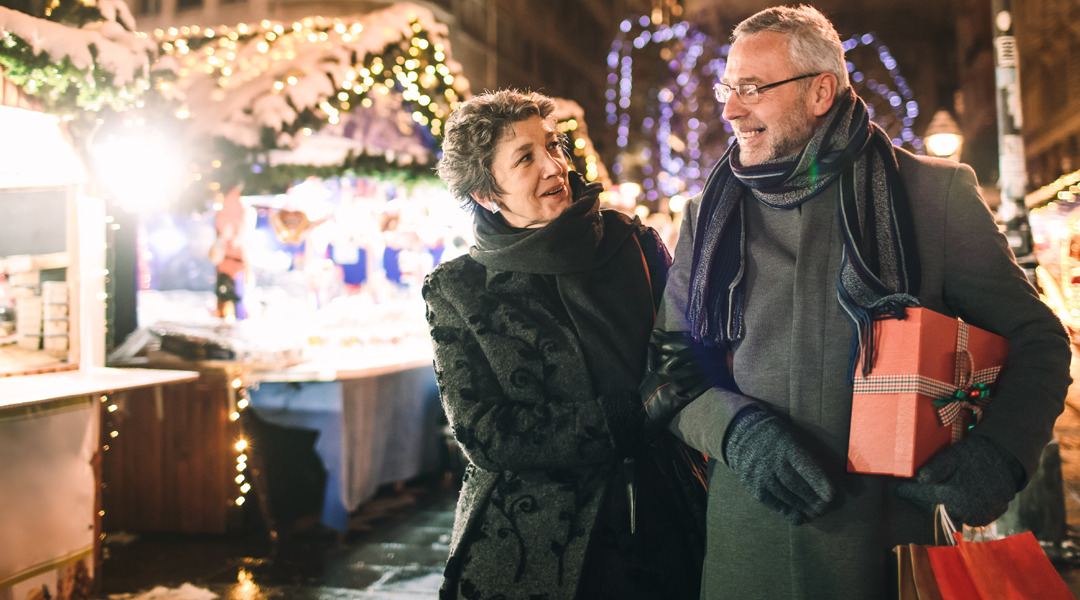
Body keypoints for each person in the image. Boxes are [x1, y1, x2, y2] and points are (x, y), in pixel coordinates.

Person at [640, 5, 1072, 599]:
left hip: (892, 553)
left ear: (821, 91)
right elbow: (672, 368)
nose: (730, 108)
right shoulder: (707, 215)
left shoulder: (932, 195)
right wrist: (737, 432)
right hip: (749, 557)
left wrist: (999, 455)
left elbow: (1037, 340)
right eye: (727, 88)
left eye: (751, 89)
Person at [423, 89, 706, 600]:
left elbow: (685, 350)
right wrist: (628, 415)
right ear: (488, 194)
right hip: (531, 545)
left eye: (553, 146)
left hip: (665, 518)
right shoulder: (458, 290)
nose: (554, 166)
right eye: (525, 158)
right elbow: (486, 434)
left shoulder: (631, 242)